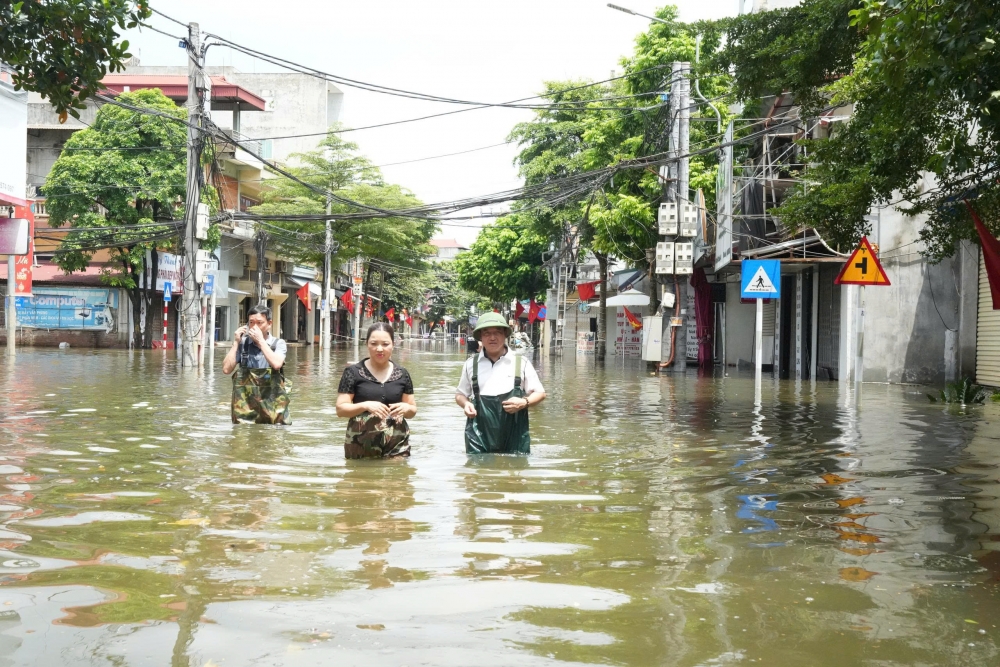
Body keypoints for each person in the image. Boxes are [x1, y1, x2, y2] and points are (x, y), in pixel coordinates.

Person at [455, 312, 545, 454]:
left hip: (515, 434)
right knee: (477, 471)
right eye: (487, 333)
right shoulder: (471, 364)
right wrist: (466, 404)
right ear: (480, 337)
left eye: (497, 332)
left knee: (515, 472)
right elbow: (460, 394)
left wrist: (524, 402)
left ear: (505, 335)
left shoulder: (521, 362)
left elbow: (540, 393)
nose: (492, 337)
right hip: (478, 435)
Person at [337, 323, 417, 459]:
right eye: (374, 344)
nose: (379, 349)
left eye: (385, 344)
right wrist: (366, 405)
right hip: (360, 443)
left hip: (396, 443)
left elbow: (412, 410)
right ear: (367, 344)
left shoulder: (402, 374)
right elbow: (341, 410)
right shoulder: (353, 372)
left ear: (393, 344)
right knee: (363, 478)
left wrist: (406, 408)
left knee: (397, 477)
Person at [222, 304, 291, 424]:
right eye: (251, 323)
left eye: (259, 323)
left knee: (274, 439)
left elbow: (276, 364)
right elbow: (226, 369)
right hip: (244, 410)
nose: (254, 327)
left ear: (269, 324)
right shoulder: (243, 344)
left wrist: (260, 341)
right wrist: (236, 343)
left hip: (273, 407)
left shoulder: (278, 344)